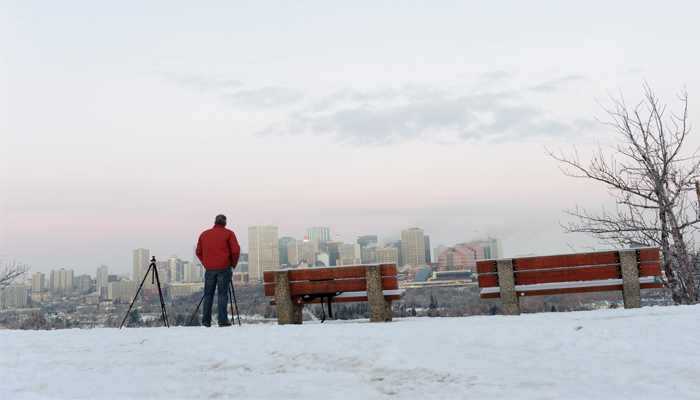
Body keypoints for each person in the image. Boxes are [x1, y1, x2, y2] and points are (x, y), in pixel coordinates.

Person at [196, 214, 241, 327]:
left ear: (215, 222)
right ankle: (222, 321)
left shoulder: (204, 234)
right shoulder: (229, 233)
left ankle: (206, 321)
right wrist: (232, 264)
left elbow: (198, 251)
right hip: (224, 268)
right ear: (225, 223)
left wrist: (206, 263)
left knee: (208, 295)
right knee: (222, 295)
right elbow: (236, 250)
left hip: (209, 269)